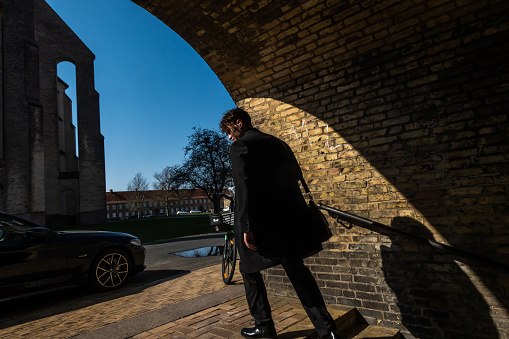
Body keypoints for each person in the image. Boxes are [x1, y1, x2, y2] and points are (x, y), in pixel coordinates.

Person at [219, 108, 341, 339]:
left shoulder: (240, 147)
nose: (229, 136)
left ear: (238, 122)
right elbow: (295, 175)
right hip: (289, 220)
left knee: (248, 271)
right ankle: (328, 330)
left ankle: (264, 326)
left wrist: (246, 226)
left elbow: (243, 188)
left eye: (229, 130)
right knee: (297, 271)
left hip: (260, 223)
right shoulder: (278, 143)